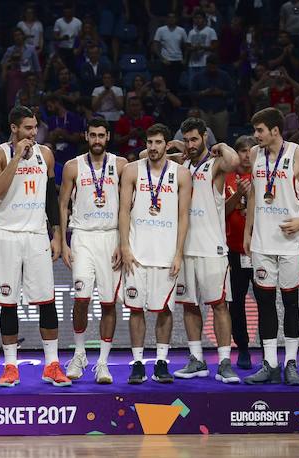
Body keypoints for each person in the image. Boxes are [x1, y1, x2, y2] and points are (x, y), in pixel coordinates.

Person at [243, 107, 299, 386]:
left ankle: (291, 362)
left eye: (260, 131)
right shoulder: (255, 155)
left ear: (274, 130)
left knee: (290, 302)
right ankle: (269, 363)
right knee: (265, 303)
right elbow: (255, 194)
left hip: (292, 242)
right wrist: (247, 231)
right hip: (262, 243)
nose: (256, 136)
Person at [0, 107, 67, 387]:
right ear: (14, 128)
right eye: (28, 128)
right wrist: (17, 158)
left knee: (46, 300)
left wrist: (56, 234)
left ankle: (53, 365)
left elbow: (51, 198)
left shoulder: (45, 154)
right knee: (8, 303)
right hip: (5, 234)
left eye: (35, 128)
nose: (33, 133)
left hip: (35, 234)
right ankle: (10, 367)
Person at [169, 118, 241, 384]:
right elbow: (146, 154)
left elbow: (234, 162)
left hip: (212, 247)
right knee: (189, 305)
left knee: (220, 306)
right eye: (187, 139)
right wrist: (176, 146)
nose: (190, 144)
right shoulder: (181, 165)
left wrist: (220, 144)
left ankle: (224, 362)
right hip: (185, 248)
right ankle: (196, 359)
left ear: (204, 138)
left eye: (194, 139)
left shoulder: (215, 165)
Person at [119, 124, 191, 384]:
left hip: (165, 253)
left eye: (158, 142)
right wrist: (125, 246)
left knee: (164, 310)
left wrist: (178, 253)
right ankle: (137, 363)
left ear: (166, 144)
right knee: (136, 309)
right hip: (137, 253)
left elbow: (184, 216)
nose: (153, 147)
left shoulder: (181, 174)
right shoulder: (131, 171)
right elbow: (124, 211)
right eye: (149, 142)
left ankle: (162, 362)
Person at [58, 119, 128, 384]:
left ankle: (103, 363)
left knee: (109, 302)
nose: (97, 140)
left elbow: (126, 207)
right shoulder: (72, 166)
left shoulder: (121, 165)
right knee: (81, 298)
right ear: (85, 136)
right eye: (93, 136)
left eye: (101, 135)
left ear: (108, 136)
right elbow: (63, 204)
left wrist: (123, 242)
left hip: (111, 237)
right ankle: (79, 354)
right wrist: (62, 242)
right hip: (83, 237)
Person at [224, 135, 257, 369]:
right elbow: (221, 213)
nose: (246, 155)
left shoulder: (264, 175)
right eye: (242, 151)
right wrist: (238, 195)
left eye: (250, 150)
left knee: (265, 302)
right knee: (236, 303)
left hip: (259, 250)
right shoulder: (226, 177)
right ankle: (243, 348)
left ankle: (268, 351)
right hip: (234, 250)